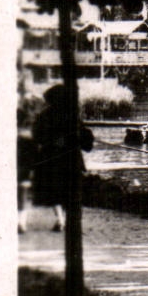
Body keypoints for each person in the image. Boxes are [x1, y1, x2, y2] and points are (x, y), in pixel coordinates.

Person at [29, 84, 94, 232]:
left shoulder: (43, 116)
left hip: (52, 159)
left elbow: (37, 137)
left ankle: (60, 219)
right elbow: (84, 138)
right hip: (71, 159)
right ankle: (64, 219)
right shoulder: (72, 116)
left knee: (54, 192)